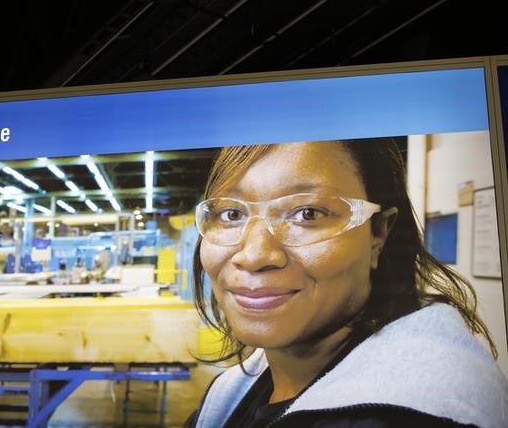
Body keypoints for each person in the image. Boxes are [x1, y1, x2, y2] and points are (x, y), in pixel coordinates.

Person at [186, 138, 508, 428]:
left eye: (308, 214)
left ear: (378, 233)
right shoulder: (245, 385)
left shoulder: (408, 414)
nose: (254, 255)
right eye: (230, 214)